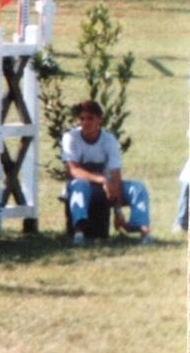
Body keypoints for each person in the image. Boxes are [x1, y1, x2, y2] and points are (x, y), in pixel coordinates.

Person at [62, 99, 153, 246]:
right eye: (82, 119)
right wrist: (102, 180)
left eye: (90, 118)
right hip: (84, 186)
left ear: (100, 120)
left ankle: (142, 230)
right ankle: (79, 233)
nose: (85, 123)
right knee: (80, 185)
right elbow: (73, 170)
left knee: (138, 188)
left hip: (108, 187)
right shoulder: (70, 138)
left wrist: (117, 212)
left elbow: (115, 175)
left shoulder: (109, 140)